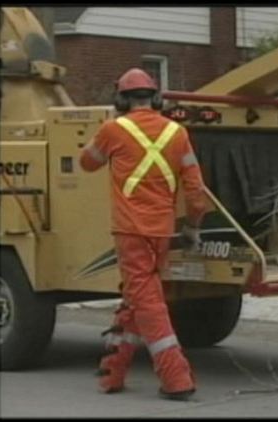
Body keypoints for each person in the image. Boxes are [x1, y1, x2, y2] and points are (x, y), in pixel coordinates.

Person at [80, 68, 209, 400]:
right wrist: (193, 228)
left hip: (130, 231)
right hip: (161, 232)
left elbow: (86, 163)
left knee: (148, 303)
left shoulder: (113, 129)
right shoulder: (178, 133)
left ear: (121, 100)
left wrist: (110, 124)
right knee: (140, 297)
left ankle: (177, 379)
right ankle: (113, 373)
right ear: (155, 98)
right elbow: (196, 193)